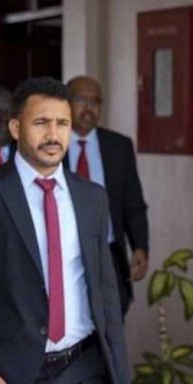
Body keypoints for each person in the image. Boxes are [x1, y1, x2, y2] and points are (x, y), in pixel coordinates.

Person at [0, 77, 130, 384]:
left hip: (83, 372)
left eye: (62, 123)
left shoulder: (92, 197)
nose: (53, 134)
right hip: (10, 380)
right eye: (41, 122)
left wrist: (118, 375)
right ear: (15, 127)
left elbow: (105, 290)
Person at [65, 75, 149, 317]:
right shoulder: (50, 144)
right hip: (64, 253)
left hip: (108, 253)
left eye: (95, 101)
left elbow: (133, 203)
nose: (89, 108)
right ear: (65, 103)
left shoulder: (118, 146)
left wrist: (140, 247)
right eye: (81, 100)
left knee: (111, 323)